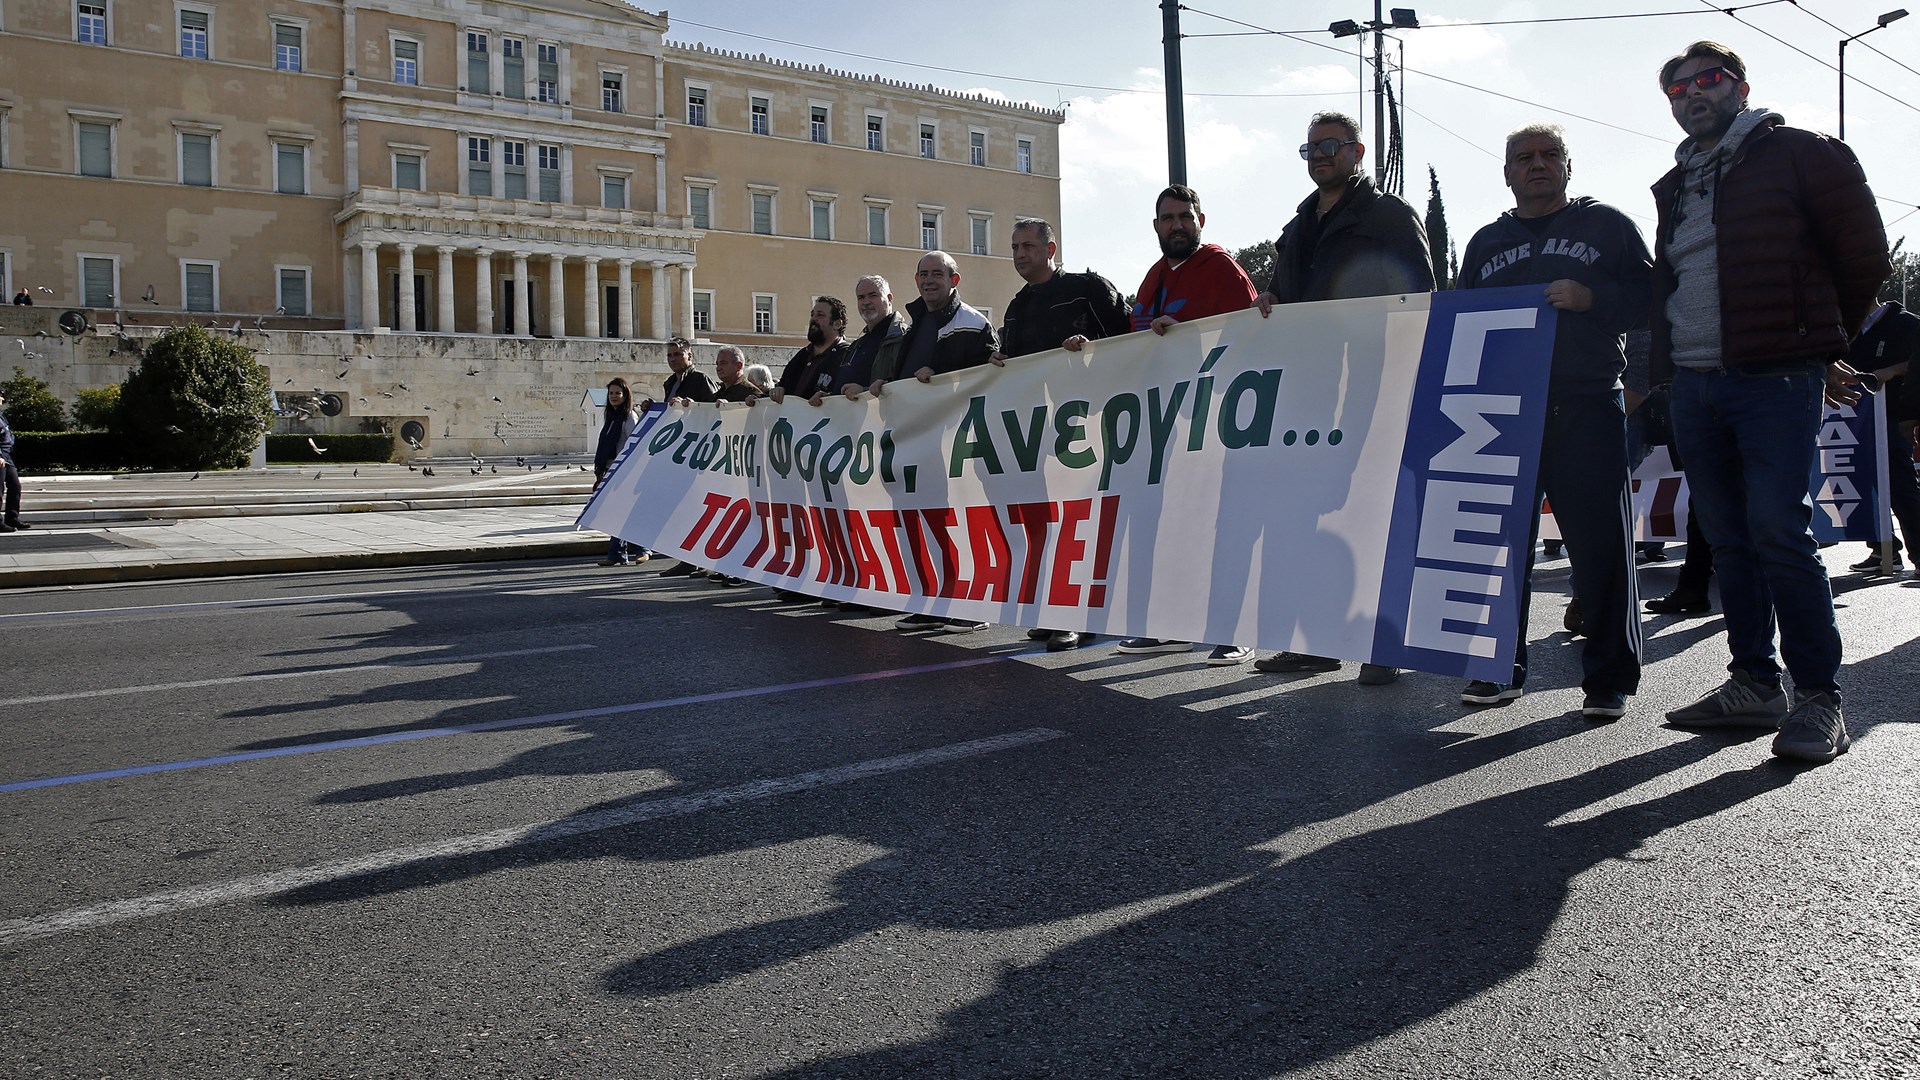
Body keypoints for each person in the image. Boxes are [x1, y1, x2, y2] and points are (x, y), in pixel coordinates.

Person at [1652, 41, 1890, 763]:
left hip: (1775, 377)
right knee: (1728, 540)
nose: (1694, 92)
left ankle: (1820, 698)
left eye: (1708, 79)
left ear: (1740, 86)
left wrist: (1817, 342)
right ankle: (1755, 682)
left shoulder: (1803, 153)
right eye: (1679, 86)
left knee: (1781, 533)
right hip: (1694, 381)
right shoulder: (1675, 181)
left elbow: (1865, 256)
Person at [1453, 123, 1651, 720]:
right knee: (1498, 545)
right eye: (1524, 158)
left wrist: (1594, 301)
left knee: (1600, 549)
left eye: (1549, 156)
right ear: (1507, 172)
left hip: (1586, 403)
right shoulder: (1486, 243)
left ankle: (1608, 678)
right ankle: (1497, 669)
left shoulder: (1608, 225)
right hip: (1503, 413)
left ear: (1569, 165)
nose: (1537, 165)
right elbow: (1464, 325)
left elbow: (1652, 298)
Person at [1252, 112, 1434, 686]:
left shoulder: (1389, 216)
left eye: (1330, 146)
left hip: (1374, 384)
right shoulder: (1298, 224)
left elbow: (1421, 295)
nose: (1319, 156)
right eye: (1310, 148)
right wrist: (1270, 299)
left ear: (1357, 152)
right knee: (1314, 513)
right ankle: (1318, 640)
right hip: (1311, 391)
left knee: (1376, 510)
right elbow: (1288, 296)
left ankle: (1384, 640)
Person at [1114, 184, 1259, 665]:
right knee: (1171, 528)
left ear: (1201, 220)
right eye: (1167, 218)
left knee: (1227, 527)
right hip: (1166, 427)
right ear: (1155, 226)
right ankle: (1169, 625)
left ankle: (1235, 630)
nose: (1176, 225)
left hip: (1219, 422)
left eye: (1184, 216)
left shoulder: (1221, 269)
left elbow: (1254, 339)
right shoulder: (1154, 276)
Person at [992, 217, 1131, 651]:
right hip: (1037, 434)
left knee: (1079, 523)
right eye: (1015, 247)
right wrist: (1001, 362)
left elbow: (1128, 340)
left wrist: (1088, 345)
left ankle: (1079, 615)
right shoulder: (1015, 307)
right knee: (1045, 524)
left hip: (1085, 429)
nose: (1019, 254)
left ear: (1050, 250)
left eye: (1028, 246)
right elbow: (1015, 366)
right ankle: (1051, 610)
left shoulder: (1088, 288)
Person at [1842, 300, 1918, 575]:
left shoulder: (1906, 322)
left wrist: (1891, 371)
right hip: (1856, 419)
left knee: (1900, 486)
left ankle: (1919, 553)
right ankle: (1883, 549)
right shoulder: (1847, 328)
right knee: (1863, 484)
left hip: (1893, 415)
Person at [592, 377, 644, 566]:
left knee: (626, 512)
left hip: (623, 469)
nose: (614, 397)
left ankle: (641, 549)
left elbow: (634, 442)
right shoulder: (611, 416)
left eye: (617, 393)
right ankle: (616, 554)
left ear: (625, 395)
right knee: (615, 513)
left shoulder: (628, 416)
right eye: (611, 393)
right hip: (609, 469)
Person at [770, 297, 854, 405]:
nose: (813, 319)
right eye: (812, 315)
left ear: (837, 324)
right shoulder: (801, 356)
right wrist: (776, 391)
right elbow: (783, 386)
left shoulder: (848, 356)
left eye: (820, 315)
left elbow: (851, 397)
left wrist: (829, 398)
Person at [837, 275, 910, 399]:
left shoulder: (902, 337)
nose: (866, 302)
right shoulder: (857, 345)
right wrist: (828, 398)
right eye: (861, 297)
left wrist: (864, 393)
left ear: (889, 298)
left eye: (873, 295)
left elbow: (907, 386)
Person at [646, 337, 715, 408]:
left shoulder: (701, 379)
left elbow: (714, 409)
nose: (672, 359)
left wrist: (692, 405)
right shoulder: (670, 383)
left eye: (677, 354)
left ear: (689, 356)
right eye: (669, 355)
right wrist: (653, 407)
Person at [0, 387, 28, 532]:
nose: (2, 398)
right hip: (0, 455)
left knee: (15, 485)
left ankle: (12, 517)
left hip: (7, 454)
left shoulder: (1, 415)